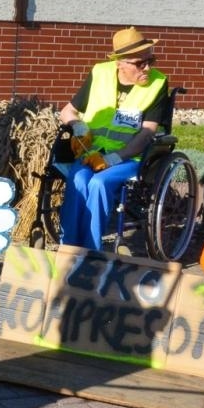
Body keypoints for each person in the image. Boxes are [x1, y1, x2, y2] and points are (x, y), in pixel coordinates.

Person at [56, 26, 172, 252]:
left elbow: (147, 132)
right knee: (78, 180)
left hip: (131, 157)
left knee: (98, 183)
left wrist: (114, 158)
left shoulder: (157, 83)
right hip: (92, 153)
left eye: (151, 60)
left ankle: (91, 250)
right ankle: (68, 248)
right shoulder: (100, 73)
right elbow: (67, 111)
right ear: (120, 63)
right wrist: (79, 126)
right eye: (140, 63)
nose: (148, 68)